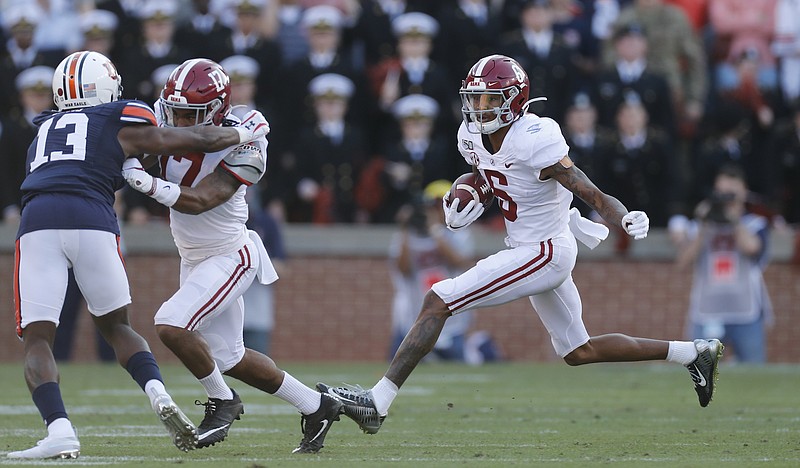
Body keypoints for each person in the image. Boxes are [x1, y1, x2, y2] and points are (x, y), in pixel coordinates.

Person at [317, 54, 724, 435]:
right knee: (578, 351)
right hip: (531, 245)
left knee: (438, 299)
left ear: (515, 100)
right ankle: (692, 353)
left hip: (544, 250)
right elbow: (498, 178)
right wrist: (471, 194)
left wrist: (623, 216)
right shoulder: (472, 136)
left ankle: (378, 402)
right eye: (474, 97)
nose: (478, 107)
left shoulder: (536, 137)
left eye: (488, 98)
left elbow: (591, 193)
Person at [10, 50, 269, 459]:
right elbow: (192, 139)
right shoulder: (122, 114)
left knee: (38, 337)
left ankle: (59, 428)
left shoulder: (43, 127)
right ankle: (158, 391)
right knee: (118, 328)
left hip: (39, 219)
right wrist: (244, 132)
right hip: (93, 217)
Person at [121, 58, 343, 454]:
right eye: (173, 111)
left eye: (189, 115)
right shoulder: (170, 116)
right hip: (192, 257)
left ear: (215, 111)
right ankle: (317, 405)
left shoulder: (249, 134)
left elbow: (203, 199)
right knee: (230, 357)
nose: (176, 121)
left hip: (230, 254)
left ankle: (223, 402)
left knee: (171, 323)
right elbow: (133, 137)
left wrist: (147, 183)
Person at [669, 165, 773, 363]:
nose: (726, 198)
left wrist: (733, 218)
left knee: (754, 375)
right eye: (722, 193)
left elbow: (752, 248)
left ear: (744, 192)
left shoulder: (754, 224)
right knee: (701, 373)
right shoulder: (703, 225)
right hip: (707, 311)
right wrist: (702, 225)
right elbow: (682, 262)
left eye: (731, 193)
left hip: (746, 313)